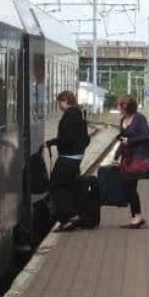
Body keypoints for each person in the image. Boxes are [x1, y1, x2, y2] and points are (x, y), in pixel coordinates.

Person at [43, 89, 88, 233]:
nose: (59, 106)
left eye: (60, 103)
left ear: (65, 101)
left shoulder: (70, 116)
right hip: (75, 156)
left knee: (56, 185)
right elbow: (86, 139)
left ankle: (68, 217)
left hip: (68, 157)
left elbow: (67, 137)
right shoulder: (79, 114)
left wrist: (52, 142)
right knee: (69, 185)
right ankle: (72, 214)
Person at [115, 94, 149, 229]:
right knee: (128, 186)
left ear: (126, 106)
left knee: (129, 185)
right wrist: (116, 155)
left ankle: (137, 217)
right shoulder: (123, 120)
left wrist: (130, 141)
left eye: (119, 105)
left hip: (139, 157)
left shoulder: (139, 119)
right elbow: (122, 139)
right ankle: (136, 216)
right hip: (127, 158)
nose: (118, 107)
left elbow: (147, 135)